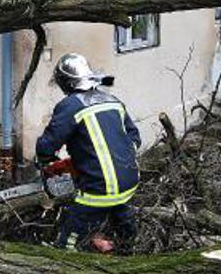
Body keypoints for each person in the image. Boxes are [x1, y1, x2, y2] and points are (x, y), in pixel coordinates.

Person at [35, 52, 141, 253]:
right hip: (129, 183)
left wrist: (45, 160)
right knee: (119, 211)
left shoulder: (71, 105)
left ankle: (67, 258)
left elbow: (47, 144)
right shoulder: (113, 100)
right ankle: (128, 247)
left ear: (66, 83)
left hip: (100, 189)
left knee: (72, 229)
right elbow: (134, 137)